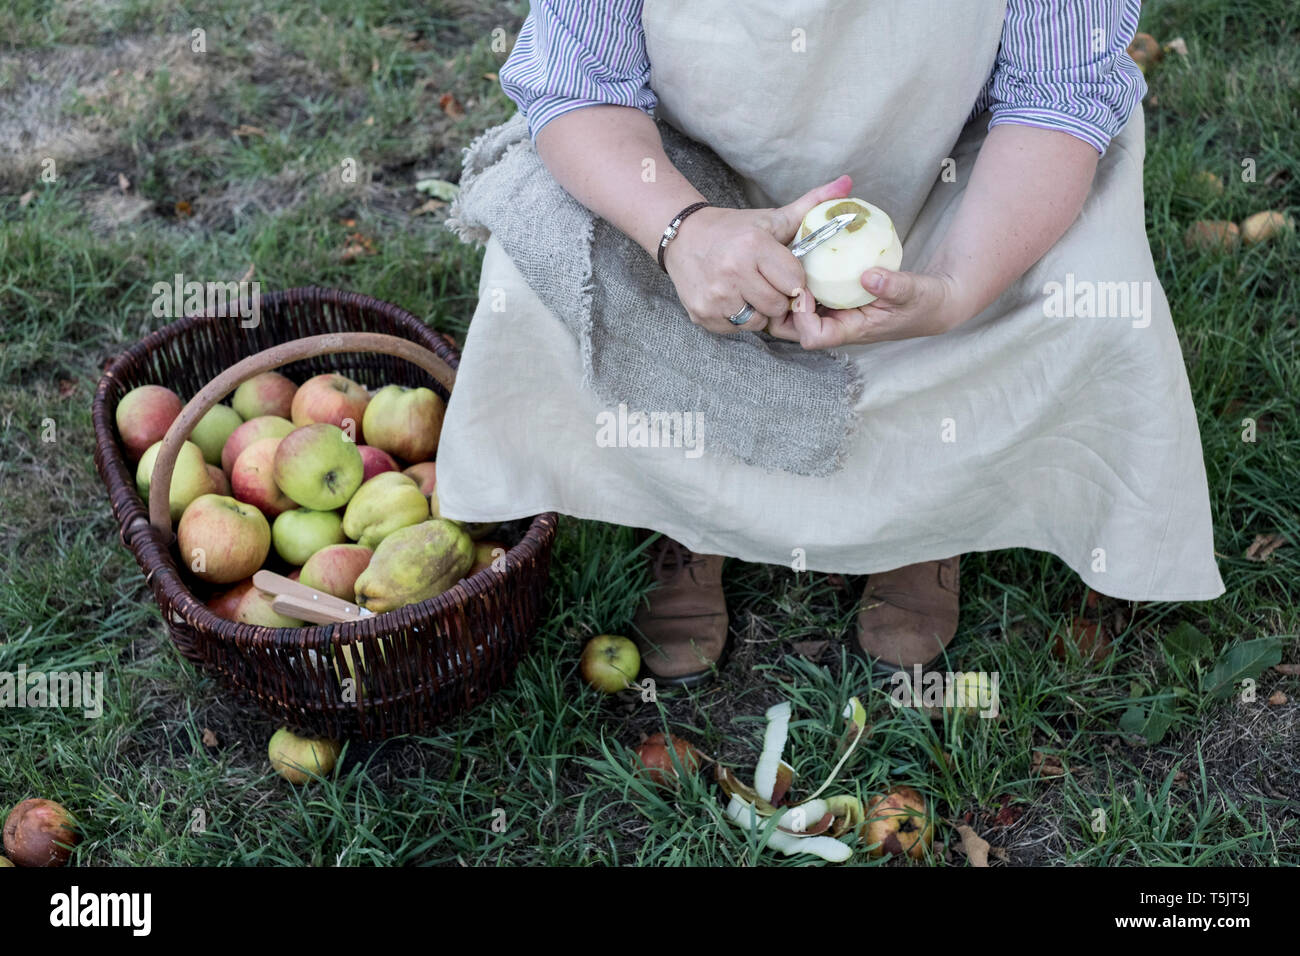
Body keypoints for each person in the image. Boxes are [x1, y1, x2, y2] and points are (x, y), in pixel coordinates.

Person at [436, 0, 1225, 686]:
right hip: (689, 173)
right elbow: (581, 85)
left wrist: (956, 289)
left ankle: (927, 520)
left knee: (1086, 286)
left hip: (956, 176)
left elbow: (1056, 96)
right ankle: (687, 516)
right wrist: (681, 231)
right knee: (535, 277)